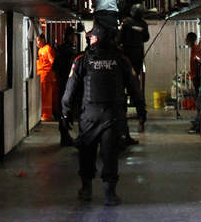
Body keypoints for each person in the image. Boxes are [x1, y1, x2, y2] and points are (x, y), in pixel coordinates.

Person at [61, 24, 147, 206]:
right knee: (110, 154)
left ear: (97, 38)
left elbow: (70, 88)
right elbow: (135, 87)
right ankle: (110, 194)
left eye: (92, 37)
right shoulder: (121, 59)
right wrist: (141, 110)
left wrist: (65, 113)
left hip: (89, 116)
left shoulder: (82, 60)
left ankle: (86, 190)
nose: (90, 39)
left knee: (86, 152)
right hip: (113, 116)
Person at [118, 5, 150, 144]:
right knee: (136, 90)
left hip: (126, 61)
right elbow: (146, 38)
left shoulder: (126, 24)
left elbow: (119, 40)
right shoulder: (143, 24)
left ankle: (121, 117)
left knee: (121, 90)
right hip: (137, 62)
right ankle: (141, 117)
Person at [51, 32, 77, 146]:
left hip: (62, 83)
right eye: (72, 36)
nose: (74, 38)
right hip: (66, 83)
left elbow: (54, 67)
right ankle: (65, 136)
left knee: (63, 109)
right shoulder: (68, 51)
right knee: (65, 110)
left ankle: (64, 135)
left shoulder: (61, 50)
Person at [36, 32, 55, 120]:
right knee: (43, 96)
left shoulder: (48, 49)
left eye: (38, 41)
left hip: (46, 76)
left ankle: (46, 115)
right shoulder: (40, 50)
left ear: (43, 40)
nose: (37, 43)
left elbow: (53, 62)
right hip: (41, 76)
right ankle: (44, 114)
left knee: (46, 96)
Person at [185, 31, 201, 133]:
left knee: (200, 102)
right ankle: (198, 121)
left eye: (187, 39)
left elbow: (198, 63)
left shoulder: (195, 50)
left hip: (198, 79)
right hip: (196, 78)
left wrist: (194, 77)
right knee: (199, 102)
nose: (185, 41)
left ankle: (199, 124)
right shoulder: (194, 49)